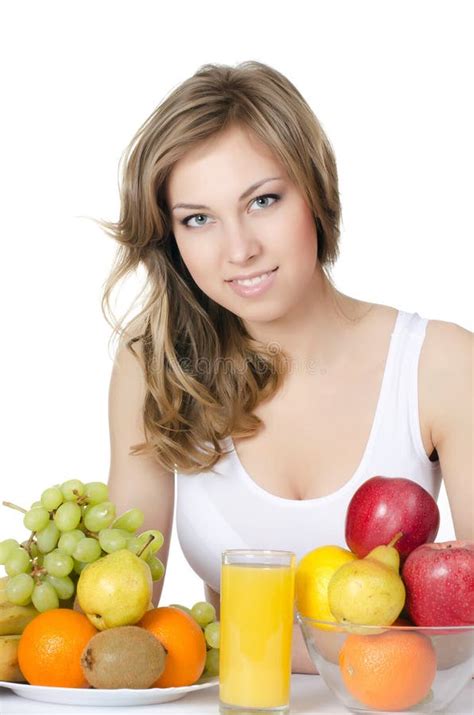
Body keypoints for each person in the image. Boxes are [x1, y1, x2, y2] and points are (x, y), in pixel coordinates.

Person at [100, 61, 473, 674]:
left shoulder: (442, 365)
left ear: (316, 194)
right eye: (198, 218)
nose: (239, 249)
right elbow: (118, 613)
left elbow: (470, 627)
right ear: (169, 237)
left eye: (263, 201)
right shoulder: (157, 369)